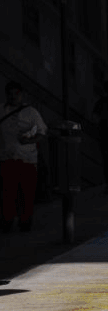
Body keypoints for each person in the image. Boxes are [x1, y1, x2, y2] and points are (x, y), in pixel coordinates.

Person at [0, 81, 48, 233]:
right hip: (7, 157)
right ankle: (8, 220)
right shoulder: (1, 110)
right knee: (8, 191)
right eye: (10, 93)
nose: (13, 97)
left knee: (26, 192)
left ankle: (25, 220)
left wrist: (29, 140)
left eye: (16, 93)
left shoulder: (31, 112)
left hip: (27, 158)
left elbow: (42, 132)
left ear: (21, 95)